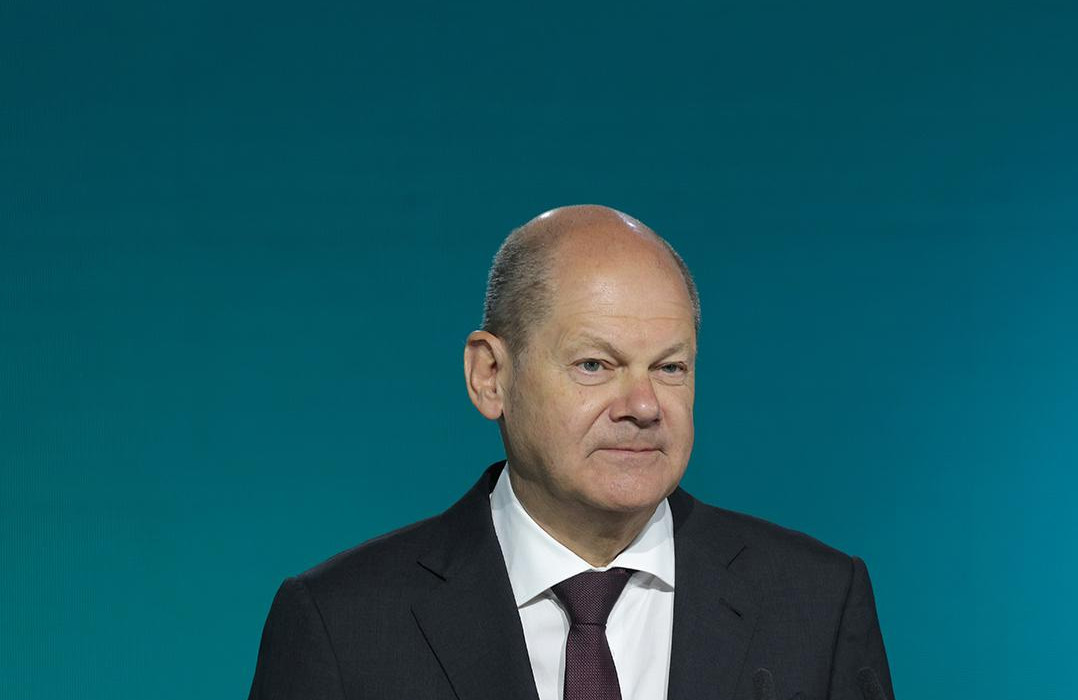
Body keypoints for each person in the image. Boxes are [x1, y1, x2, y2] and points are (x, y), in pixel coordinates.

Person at [248, 205, 894, 700]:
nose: (643, 406)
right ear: (490, 376)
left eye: (670, 368)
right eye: (594, 365)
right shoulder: (342, 623)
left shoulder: (817, 602)